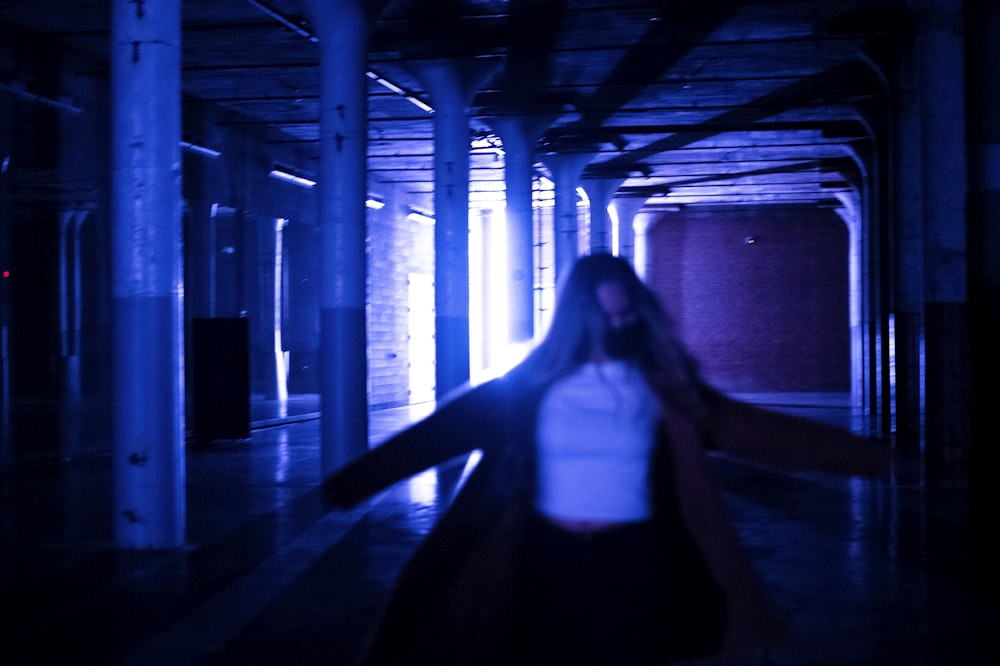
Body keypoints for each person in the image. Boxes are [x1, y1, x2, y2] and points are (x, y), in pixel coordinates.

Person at [323, 253, 890, 665]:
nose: (619, 328)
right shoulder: (525, 388)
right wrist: (347, 485)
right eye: (607, 318)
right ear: (580, 317)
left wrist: (870, 456)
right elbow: (433, 436)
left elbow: (755, 430)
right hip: (543, 555)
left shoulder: (666, 386)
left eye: (628, 317)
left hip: (637, 557)